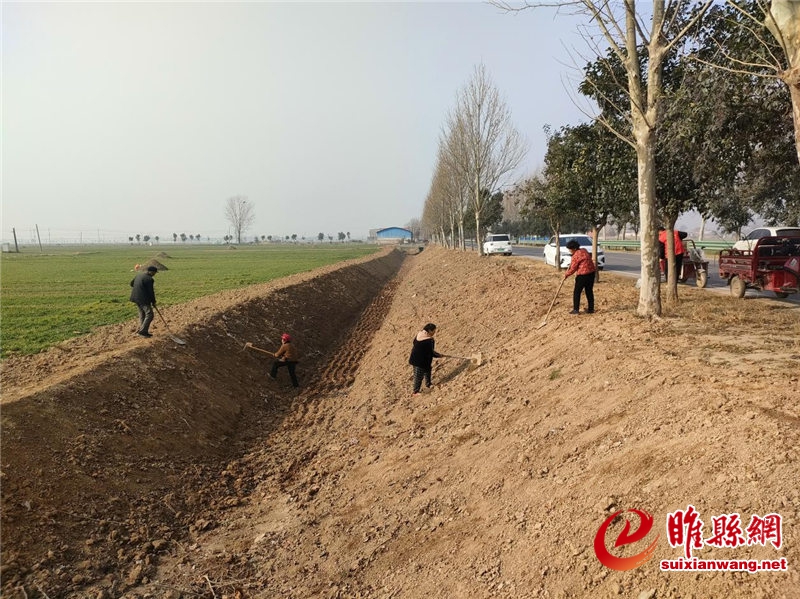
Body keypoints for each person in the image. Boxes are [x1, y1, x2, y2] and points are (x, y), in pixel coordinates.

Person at [563, 239, 597, 314]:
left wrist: (566, 274)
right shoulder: (584, 250)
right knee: (589, 291)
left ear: (574, 248)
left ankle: (576, 310)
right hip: (591, 274)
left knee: (577, 292)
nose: (569, 251)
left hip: (582, 275)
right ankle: (591, 309)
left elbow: (573, 269)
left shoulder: (575, 256)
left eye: (570, 249)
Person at [408, 323, 442, 395]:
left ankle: (428, 384)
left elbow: (414, 343)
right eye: (434, 331)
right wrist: (439, 355)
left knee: (427, 371)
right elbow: (431, 352)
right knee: (418, 376)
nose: (434, 332)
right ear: (429, 330)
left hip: (416, 358)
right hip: (420, 361)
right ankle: (415, 392)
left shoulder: (419, 334)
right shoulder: (429, 341)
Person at [129, 265, 157, 337]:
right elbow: (151, 292)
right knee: (150, 314)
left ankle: (142, 331)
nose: (154, 274)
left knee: (142, 313)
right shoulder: (149, 279)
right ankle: (143, 331)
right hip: (143, 299)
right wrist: (153, 301)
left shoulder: (139, 275)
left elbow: (131, 284)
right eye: (154, 273)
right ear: (151, 272)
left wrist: (140, 287)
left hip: (135, 297)